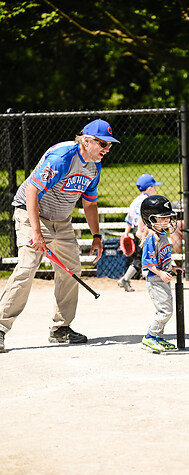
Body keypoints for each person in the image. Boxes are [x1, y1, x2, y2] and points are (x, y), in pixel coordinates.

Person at [0, 118, 120, 353]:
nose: (107, 149)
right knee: (27, 268)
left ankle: (60, 328)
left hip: (61, 221)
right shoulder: (62, 158)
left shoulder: (94, 166)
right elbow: (32, 192)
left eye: (109, 145)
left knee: (71, 268)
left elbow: (90, 204)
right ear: (86, 141)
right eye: (103, 144)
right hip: (31, 214)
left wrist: (96, 235)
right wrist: (36, 233)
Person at [140, 195, 182, 353]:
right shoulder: (152, 237)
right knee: (165, 310)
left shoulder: (162, 235)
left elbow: (162, 257)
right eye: (162, 218)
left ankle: (158, 338)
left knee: (166, 308)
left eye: (168, 217)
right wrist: (161, 273)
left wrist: (172, 267)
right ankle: (150, 337)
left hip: (163, 278)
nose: (167, 220)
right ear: (150, 219)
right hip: (155, 279)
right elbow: (148, 263)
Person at [117, 173, 163, 292]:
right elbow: (141, 216)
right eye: (154, 187)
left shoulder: (135, 200)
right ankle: (128, 279)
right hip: (143, 231)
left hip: (136, 230)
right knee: (146, 256)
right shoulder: (146, 200)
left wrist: (126, 233)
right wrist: (141, 231)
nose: (155, 189)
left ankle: (126, 279)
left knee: (141, 256)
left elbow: (129, 218)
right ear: (149, 188)